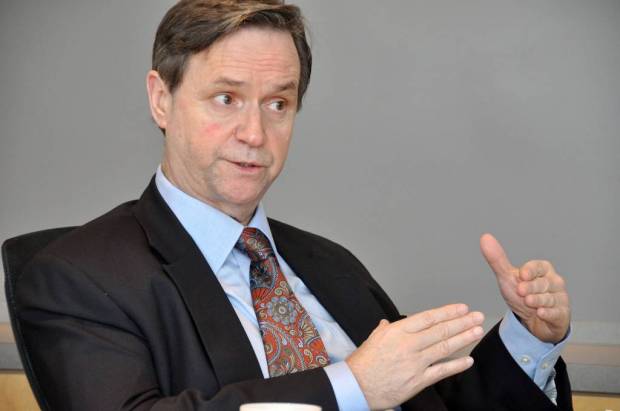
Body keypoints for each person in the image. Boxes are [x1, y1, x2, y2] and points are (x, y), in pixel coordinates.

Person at [16, 1, 572, 410]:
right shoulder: (77, 276)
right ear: (162, 99)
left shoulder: (329, 262)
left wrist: (529, 338)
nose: (255, 133)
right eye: (226, 98)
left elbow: (431, 401)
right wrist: (353, 386)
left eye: (278, 103)